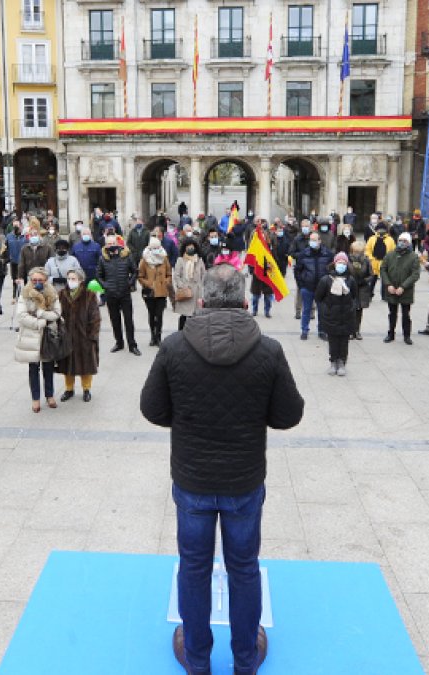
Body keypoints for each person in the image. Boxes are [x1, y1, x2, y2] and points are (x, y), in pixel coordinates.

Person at [140, 265, 304, 675]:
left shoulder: (175, 347)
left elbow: (153, 409)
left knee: (194, 567)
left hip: (195, 477)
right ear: (245, 300)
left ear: (201, 299)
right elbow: (288, 415)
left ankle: (197, 658)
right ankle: (245, 659)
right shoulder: (267, 349)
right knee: (243, 568)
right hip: (242, 480)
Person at [14, 267, 62, 413]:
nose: (37, 282)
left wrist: (40, 313)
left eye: (40, 280)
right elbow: (21, 316)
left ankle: (49, 395)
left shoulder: (52, 293)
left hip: (48, 336)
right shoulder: (25, 293)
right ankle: (35, 398)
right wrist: (40, 322)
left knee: (48, 367)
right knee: (33, 368)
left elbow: (57, 313)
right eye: (34, 280)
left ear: (46, 280)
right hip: (31, 336)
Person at [58, 268, 101, 402]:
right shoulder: (61, 294)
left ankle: (86, 389)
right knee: (67, 364)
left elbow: (95, 317)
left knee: (86, 365)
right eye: (69, 278)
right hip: (66, 335)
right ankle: (69, 389)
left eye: (74, 279)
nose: (71, 281)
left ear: (81, 280)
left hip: (84, 336)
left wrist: (91, 336)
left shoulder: (89, 295)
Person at [97, 234, 140, 355]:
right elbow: (99, 275)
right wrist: (105, 286)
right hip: (111, 294)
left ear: (117, 243)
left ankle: (132, 345)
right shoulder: (103, 258)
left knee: (128, 320)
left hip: (124, 293)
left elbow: (135, 271)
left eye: (112, 243)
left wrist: (129, 283)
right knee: (115, 320)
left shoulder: (126, 256)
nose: (111, 245)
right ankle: (119, 342)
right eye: (108, 244)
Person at [316, 252, 358, 376]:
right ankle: (333, 361)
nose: (341, 265)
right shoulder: (326, 280)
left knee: (344, 342)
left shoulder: (351, 280)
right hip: (331, 316)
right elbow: (319, 297)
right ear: (334, 264)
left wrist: (351, 308)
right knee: (333, 341)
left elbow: (355, 296)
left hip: (346, 317)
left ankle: (342, 362)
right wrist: (326, 309)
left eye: (344, 263)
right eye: (339, 262)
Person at [381, 232, 421, 345]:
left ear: (409, 243)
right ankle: (391, 334)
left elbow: (415, 274)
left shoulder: (413, 256)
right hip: (391, 289)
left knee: (406, 314)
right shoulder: (390, 255)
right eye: (400, 240)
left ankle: (407, 335)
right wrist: (388, 284)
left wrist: (403, 286)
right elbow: (383, 270)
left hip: (405, 291)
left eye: (405, 241)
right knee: (392, 313)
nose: (402, 243)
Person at [294, 231, 332, 340]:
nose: (313, 242)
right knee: (306, 310)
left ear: (320, 241)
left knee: (322, 311)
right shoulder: (304, 254)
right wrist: (301, 284)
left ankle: (322, 330)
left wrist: (328, 283)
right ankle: (304, 330)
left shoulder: (327, 254)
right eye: (311, 240)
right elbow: (297, 270)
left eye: (315, 240)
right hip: (307, 287)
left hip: (322, 287)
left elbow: (331, 269)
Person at [139, 237, 173, 347]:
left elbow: (169, 273)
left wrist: (166, 281)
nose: (155, 250)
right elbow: (140, 276)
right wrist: (148, 284)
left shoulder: (164, 258)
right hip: (149, 292)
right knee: (152, 314)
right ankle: (152, 336)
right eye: (153, 248)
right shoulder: (144, 260)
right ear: (149, 248)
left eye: (157, 248)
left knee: (159, 315)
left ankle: (158, 336)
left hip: (162, 292)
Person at [173, 239, 205, 331]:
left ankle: (193, 335)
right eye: (188, 246)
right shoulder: (180, 260)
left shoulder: (199, 260)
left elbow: (204, 275)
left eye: (192, 246)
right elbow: (177, 275)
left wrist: (201, 286)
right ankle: (181, 334)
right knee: (184, 316)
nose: (190, 248)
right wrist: (182, 286)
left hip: (196, 293)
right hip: (185, 292)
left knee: (195, 316)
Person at [346, 240, 373, 340]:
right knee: (349, 310)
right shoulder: (348, 260)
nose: (357, 253)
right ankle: (349, 331)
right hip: (350, 288)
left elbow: (371, 275)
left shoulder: (366, 260)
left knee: (359, 310)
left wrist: (364, 281)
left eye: (359, 251)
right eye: (355, 251)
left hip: (362, 288)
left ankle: (357, 331)